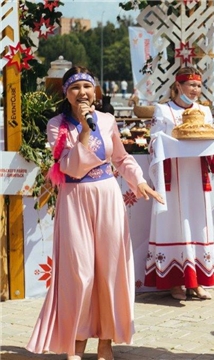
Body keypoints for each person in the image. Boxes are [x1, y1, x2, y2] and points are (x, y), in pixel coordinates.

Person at [26, 66, 163, 360]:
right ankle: (76, 340)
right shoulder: (56, 125)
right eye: (75, 88)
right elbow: (71, 167)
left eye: (87, 87)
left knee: (111, 271)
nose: (82, 93)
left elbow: (121, 158)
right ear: (67, 93)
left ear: (95, 91)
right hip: (74, 199)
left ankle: (105, 342)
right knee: (79, 273)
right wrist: (86, 132)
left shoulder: (108, 119)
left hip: (107, 196)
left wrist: (138, 180)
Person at [144, 66, 214, 301]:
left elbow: (210, 137)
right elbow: (153, 140)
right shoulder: (163, 110)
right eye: (191, 85)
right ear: (178, 86)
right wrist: (165, 141)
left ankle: (197, 281)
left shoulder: (204, 111)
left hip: (195, 175)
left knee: (197, 222)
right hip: (172, 176)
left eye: (198, 85)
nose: (195, 90)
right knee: (173, 221)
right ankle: (175, 282)